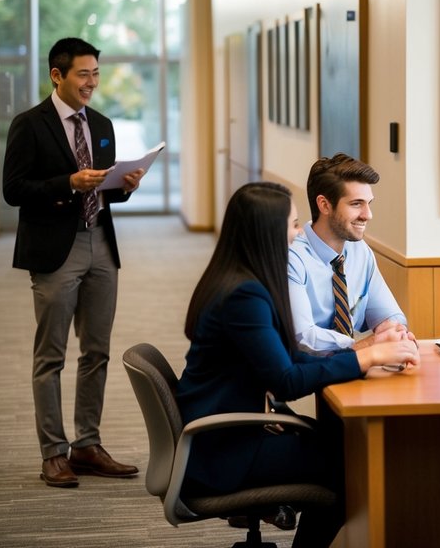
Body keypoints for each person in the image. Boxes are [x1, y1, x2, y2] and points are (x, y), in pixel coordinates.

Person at [176, 182, 418, 548]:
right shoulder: (244, 294)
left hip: (223, 435)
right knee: (354, 469)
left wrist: (361, 357)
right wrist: (365, 356)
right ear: (268, 232)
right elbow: (287, 381)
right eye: (292, 225)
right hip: (222, 452)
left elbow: (285, 357)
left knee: (342, 446)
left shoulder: (235, 278)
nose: (298, 233)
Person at [2, 37, 146, 488]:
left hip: (101, 243)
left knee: (97, 350)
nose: (91, 83)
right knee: (51, 356)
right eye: (83, 74)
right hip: (54, 249)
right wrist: (68, 182)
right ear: (57, 76)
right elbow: (14, 189)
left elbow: (106, 186)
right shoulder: (29, 124)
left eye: (96, 74)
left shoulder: (101, 124)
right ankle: (53, 452)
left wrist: (126, 184)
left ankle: (87, 443)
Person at [288, 154, 415, 357]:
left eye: (368, 203)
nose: (368, 215)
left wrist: (393, 331)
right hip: (305, 380)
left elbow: (389, 315)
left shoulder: (360, 251)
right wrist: (364, 345)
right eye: (357, 204)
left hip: (353, 373)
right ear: (324, 205)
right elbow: (302, 336)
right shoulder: (293, 258)